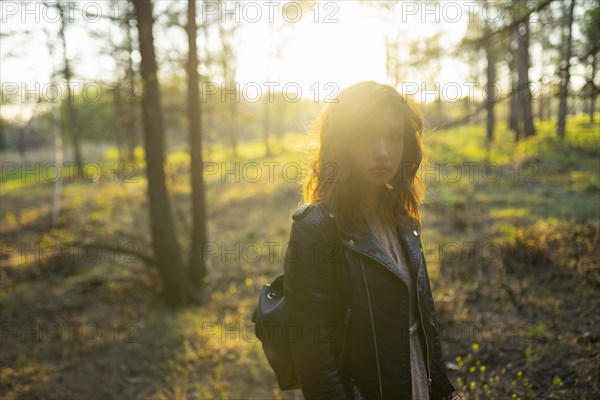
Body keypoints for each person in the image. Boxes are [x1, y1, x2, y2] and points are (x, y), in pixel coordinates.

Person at [283, 81, 459, 400]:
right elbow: (314, 359)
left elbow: (425, 325)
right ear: (342, 142)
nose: (382, 152)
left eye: (393, 137)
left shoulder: (403, 219)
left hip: (417, 383)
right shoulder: (316, 228)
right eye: (366, 136)